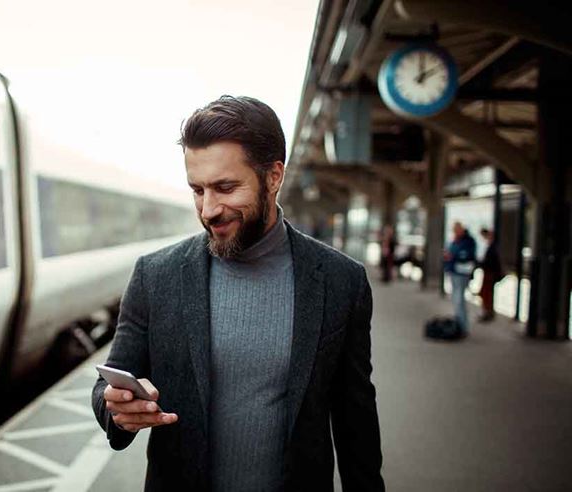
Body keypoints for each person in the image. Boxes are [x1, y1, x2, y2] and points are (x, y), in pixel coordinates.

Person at [91, 96, 384, 491]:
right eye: (198, 190)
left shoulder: (340, 281)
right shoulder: (154, 276)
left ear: (274, 177)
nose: (209, 209)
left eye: (225, 188)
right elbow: (107, 387)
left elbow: (356, 421)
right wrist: (117, 409)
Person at [443, 222, 476, 335]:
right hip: (454, 271)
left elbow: (465, 255)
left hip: (461, 273)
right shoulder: (456, 240)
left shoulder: (468, 241)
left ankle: (462, 325)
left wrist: (453, 256)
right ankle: (459, 323)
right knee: (456, 299)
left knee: (459, 299)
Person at [477, 228, 503, 322]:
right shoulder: (491, 247)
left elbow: (492, 262)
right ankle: (487, 312)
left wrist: (482, 263)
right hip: (488, 273)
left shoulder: (493, 248)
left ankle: (488, 313)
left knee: (487, 294)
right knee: (486, 294)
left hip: (490, 273)